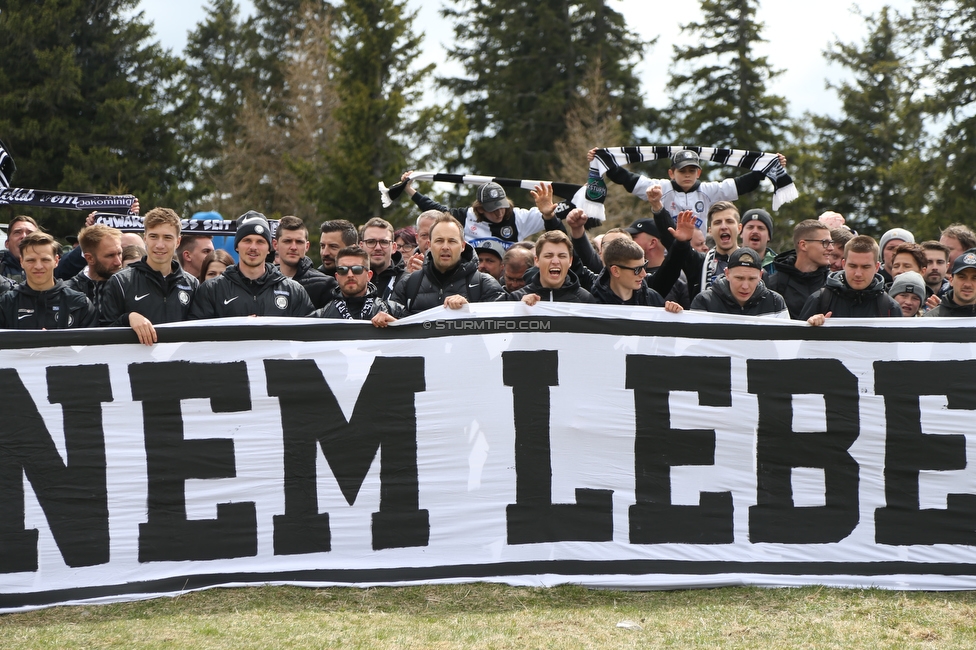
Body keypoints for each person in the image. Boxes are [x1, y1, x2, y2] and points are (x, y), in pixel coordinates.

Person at [590, 147, 787, 232]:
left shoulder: (709, 191)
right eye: (682, 170)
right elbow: (627, 179)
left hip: (699, 251)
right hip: (667, 250)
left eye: (692, 170)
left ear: (698, 173)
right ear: (671, 172)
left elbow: (740, 184)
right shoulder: (661, 188)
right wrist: (604, 161)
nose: (687, 174)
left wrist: (766, 167)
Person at [375, 213, 504, 323]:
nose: (445, 247)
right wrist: (390, 321)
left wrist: (469, 310)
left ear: (463, 246)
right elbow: (397, 327)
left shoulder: (484, 284)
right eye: (439, 241)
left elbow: (502, 327)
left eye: (452, 241)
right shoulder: (408, 284)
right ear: (429, 244)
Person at [99, 207, 200, 345]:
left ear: (178, 242)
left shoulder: (192, 284)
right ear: (145, 238)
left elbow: (199, 335)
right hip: (135, 365)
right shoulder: (120, 282)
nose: (160, 245)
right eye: (154, 236)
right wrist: (128, 318)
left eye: (167, 237)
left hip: (180, 365)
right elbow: (101, 338)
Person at [191, 211, 314, 319]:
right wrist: (237, 328)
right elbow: (197, 337)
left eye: (260, 241)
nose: (253, 247)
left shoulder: (293, 291)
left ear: (269, 248)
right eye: (247, 240)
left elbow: (308, 337)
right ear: (237, 246)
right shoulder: (212, 290)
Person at [399, 171, 563, 247]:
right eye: (493, 209)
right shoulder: (465, 218)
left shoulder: (519, 217)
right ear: (481, 209)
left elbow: (560, 219)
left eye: (502, 207)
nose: (499, 213)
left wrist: (583, 194)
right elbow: (433, 208)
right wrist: (409, 189)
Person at [0, 231, 95, 329]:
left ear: (56, 261)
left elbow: (92, 343)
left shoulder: (80, 304)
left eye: (45, 260)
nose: (38, 266)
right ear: (21, 262)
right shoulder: (6, 304)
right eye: (31, 260)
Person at [801, 235, 902, 322]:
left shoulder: (890, 307)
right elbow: (797, 341)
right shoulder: (819, 300)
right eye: (853, 266)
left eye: (865, 267)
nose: (858, 273)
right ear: (844, 264)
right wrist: (811, 328)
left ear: (876, 267)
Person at [690, 247, 789, 317]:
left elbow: (786, 343)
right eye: (739, 278)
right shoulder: (705, 301)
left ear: (760, 276)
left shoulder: (775, 303)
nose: (745, 286)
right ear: (727, 274)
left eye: (751, 279)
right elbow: (691, 341)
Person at [765, 219, 831, 319]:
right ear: (803, 245)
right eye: (825, 242)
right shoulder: (774, 284)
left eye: (831, 242)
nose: (831, 248)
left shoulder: (833, 284)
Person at [506, 231, 594, 304]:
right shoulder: (517, 298)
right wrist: (520, 310)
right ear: (537, 260)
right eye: (548, 256)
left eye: (562, 256)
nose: (555, 261)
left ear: (570, 261)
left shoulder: (585, 300)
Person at [311, 246, 393, 320]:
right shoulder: (321, 317)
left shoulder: (391, 310)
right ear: (337, 277)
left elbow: (405, 331)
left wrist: (395, 324)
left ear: (369, 275)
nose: (350, 275)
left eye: (357, 269)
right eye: (343, 270)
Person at [273, 215, 337, 308]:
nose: (293, 247)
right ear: (275, 245)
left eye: (299, 242)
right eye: (287, 241)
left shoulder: (325, 285)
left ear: (307, 246)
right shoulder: (265, 281)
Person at [590, 236, 666, 307]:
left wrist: (671, 310)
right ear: (616, 271)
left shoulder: (652, 298)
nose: (644, 274)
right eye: (637, 269)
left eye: (644, 266)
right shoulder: (593, 302)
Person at [64, 224, 123, 311]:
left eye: (119, 253)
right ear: (90, 258)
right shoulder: (66, 292)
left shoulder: (130, 287)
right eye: (110, 255)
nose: (118, 262)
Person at [359, 217, 405, 300]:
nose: (378, 248)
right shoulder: (351, 278)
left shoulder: (407, 281)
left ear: (394, 247)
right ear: (361, 247)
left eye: (384, 242)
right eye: (371, 242)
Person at [925, 250, 976, 317]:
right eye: (962, 277)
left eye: (974, 278)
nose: (967, 284)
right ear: (951, 280)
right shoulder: (931, 319)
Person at [0, 215, 38, 283]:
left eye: (30, 233)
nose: (24, 236)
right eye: (17, 232)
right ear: (7, 243)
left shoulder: (52, 269)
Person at [920, 240, 951, 305]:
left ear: (947, 266)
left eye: (940, 262)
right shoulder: (908, 293)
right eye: (929, 262)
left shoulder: (955, 295)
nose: (934, 267)